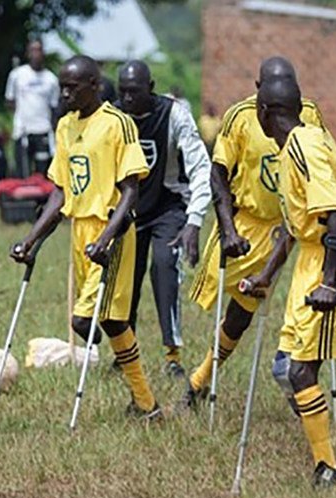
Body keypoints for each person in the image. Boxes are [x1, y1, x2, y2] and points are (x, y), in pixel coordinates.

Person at [10, 55, 160, 420]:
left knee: (84, 321)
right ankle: (146, 404)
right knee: (112, 322)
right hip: (80, 231)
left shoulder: (117, 124)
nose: (64, 93)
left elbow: (130, 191)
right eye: (62, 86)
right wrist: (31, 241)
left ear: (94, 85)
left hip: (111, 233)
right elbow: (59, 193)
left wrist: (107, 238)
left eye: (73, 87)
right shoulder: (64, 127)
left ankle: (139, 398)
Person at [184, 58, 328, 406]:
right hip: (244, 221)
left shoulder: (309, 113)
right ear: (258, 88)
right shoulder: (239, 116)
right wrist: (228, 229)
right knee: (222, 300)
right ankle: (194, 374)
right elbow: (218, 175)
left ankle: (202, 380)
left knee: (251, 308)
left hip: (285, 226)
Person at [247, 76, 336, 487]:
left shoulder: (305, 145)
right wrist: (264, 277)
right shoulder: (287, 151)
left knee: (300, 371)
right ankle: (319, 442)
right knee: (285, 369)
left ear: (265, 113)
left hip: (331, 261)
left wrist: (330, 282)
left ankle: (327, 468)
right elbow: (292, 228)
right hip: (309, 260)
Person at [115, 61, 211, 377]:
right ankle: (124, 353)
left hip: (167, 208)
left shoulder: (174, 115)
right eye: (123, 92)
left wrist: (194, 220)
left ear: (151, 87)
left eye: (135, 92)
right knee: (124, 281)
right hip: (126, 210)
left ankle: (173, 356)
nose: (128, 99)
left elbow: (200, 168)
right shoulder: (114, 118)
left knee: (163, 266)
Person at [5, 39, 59, 178]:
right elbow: (10, 100)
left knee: (44, 172)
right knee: (23, 171)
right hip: (23, 131)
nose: (36, 54)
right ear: (28, 53)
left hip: (43, 130)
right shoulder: (17, 75)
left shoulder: (51, 79)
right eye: (33, 50)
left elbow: (54, 107)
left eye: (39, 50)